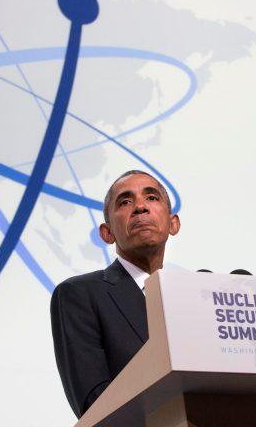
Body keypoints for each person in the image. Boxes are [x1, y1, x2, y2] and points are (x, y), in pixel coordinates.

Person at [50, 170, 180, 418]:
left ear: (173, 224)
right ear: (106, 233)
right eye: (125, 202)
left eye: (151, 198)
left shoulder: (192, 299)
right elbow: (95, 404)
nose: (140, 207)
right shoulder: (79, 295)